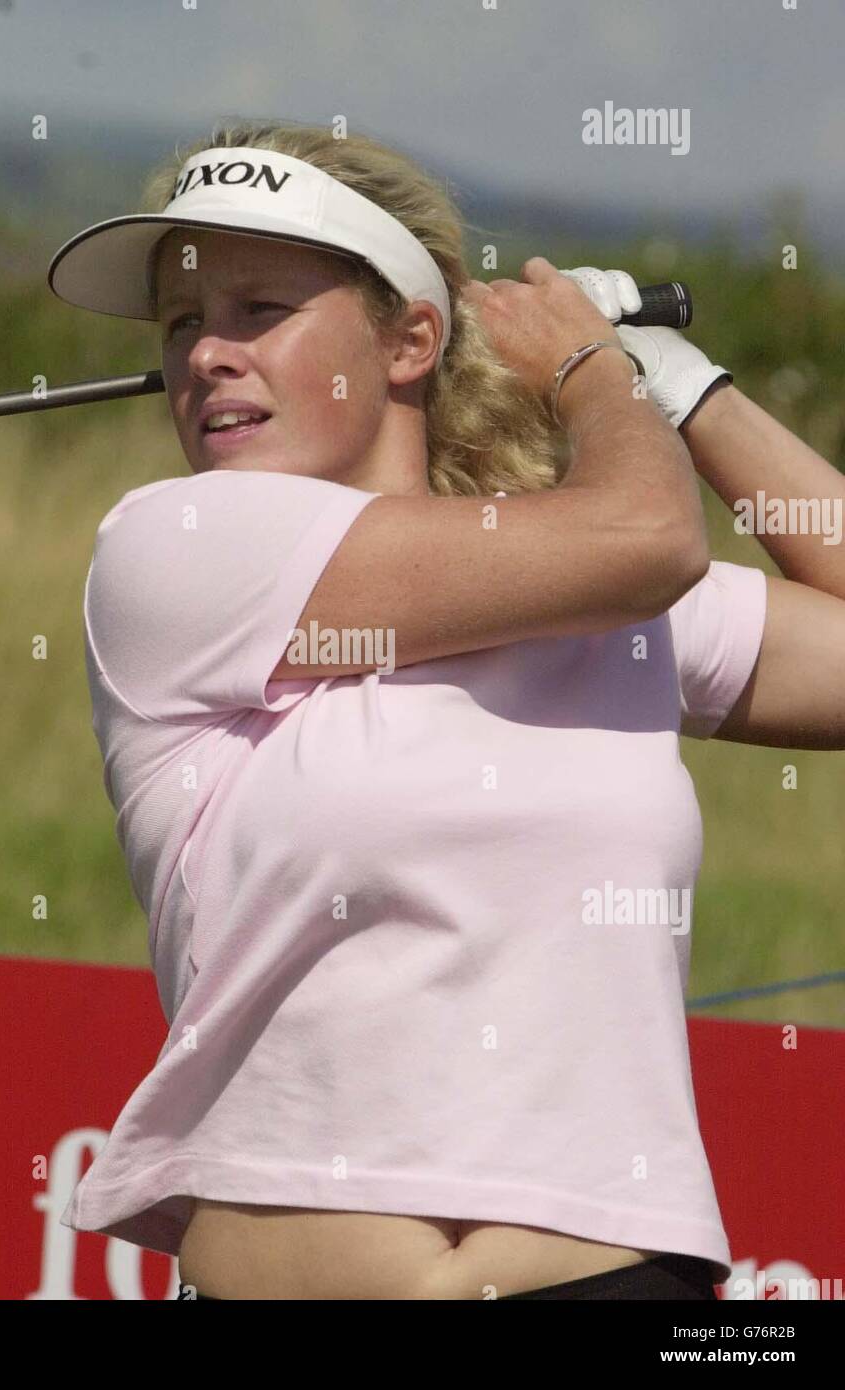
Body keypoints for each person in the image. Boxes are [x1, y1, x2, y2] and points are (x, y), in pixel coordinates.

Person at [45, 120, 844, 1300]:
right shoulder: (173, 548)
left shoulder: (600, 597)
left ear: (411, 339)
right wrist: (597, 377)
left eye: (259, 308)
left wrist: (687, 386)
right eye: (182, 321)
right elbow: (647, 534)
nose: (208, 352)